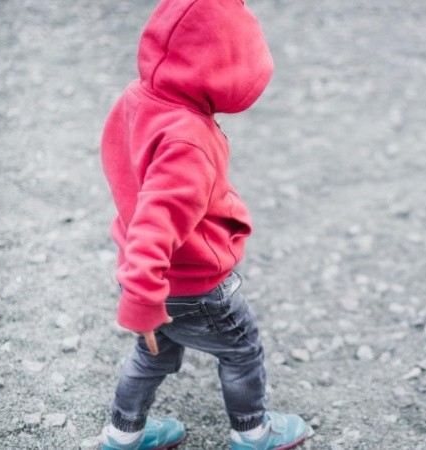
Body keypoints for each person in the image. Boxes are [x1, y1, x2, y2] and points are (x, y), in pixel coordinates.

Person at [97, 0, 307, 449]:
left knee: (151, 356)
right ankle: (253, 432)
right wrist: (142, 296)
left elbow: (136, 190)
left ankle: (122, 435)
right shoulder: (186, 141)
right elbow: (157, 220)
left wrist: (142, 289)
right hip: (195, 285)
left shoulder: (138, 98)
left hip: (148, 273)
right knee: (242, 350)